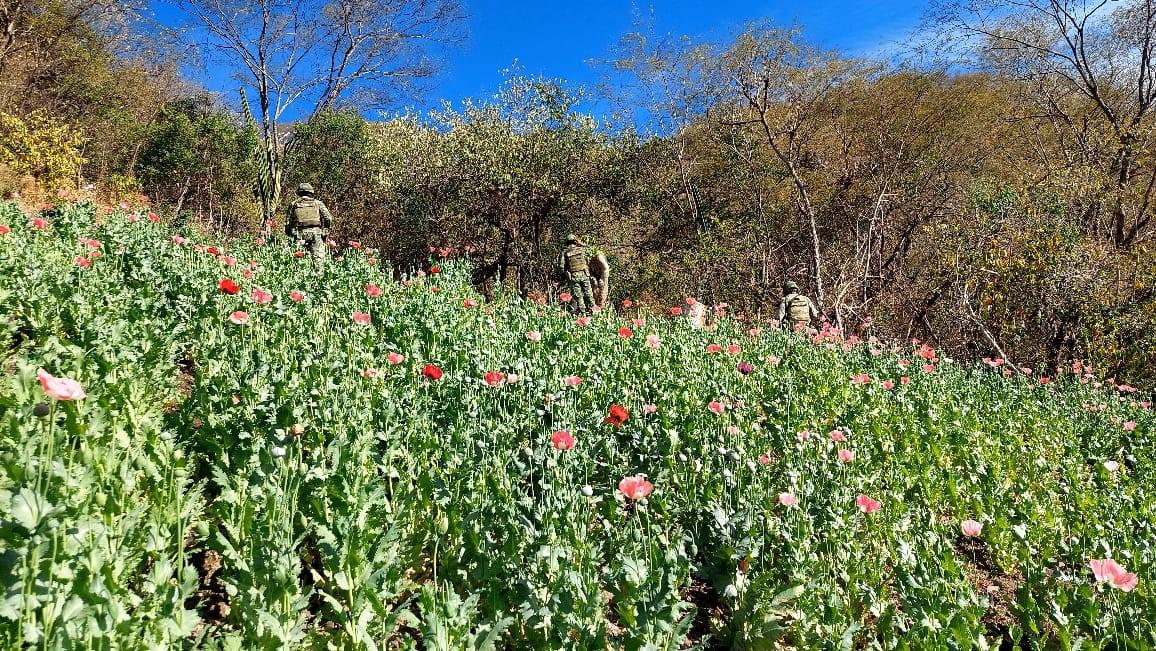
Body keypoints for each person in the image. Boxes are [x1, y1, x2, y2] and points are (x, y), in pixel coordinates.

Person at [284, 183, 333, 265]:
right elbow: (328, 218)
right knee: (318, 263)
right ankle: (318, 277)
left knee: (299, 262)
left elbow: (288, 223)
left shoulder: (293, 204)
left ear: (299, 193)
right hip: (316, 234)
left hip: (300, 235)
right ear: (311, 192)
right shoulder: (318, 203)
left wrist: (290, 234)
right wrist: (325, 232)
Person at [559, 234, 595, 315]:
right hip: (585, 274)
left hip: (574, 276)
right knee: (589, 294)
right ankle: (595, 312)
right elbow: (591, 249)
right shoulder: (581, 249)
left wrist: (564, 275)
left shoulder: (565, 252)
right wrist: (581, 243)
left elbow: (561, 266)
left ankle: (583, 314)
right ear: (575, 241)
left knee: (579, 297)